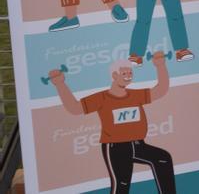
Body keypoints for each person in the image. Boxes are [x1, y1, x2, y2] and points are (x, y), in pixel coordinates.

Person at [49, 53, 175, 193]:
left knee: (163, 159)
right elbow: (74, 108)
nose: (128, 75)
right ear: (114, 76)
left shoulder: (135, 95)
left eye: (130, 73)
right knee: (121, 185)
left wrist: (160, 66)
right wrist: (60, 84)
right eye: (124, 73)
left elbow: (161, 90)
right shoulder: (102, 98)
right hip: (116, 148)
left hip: (138, 144)